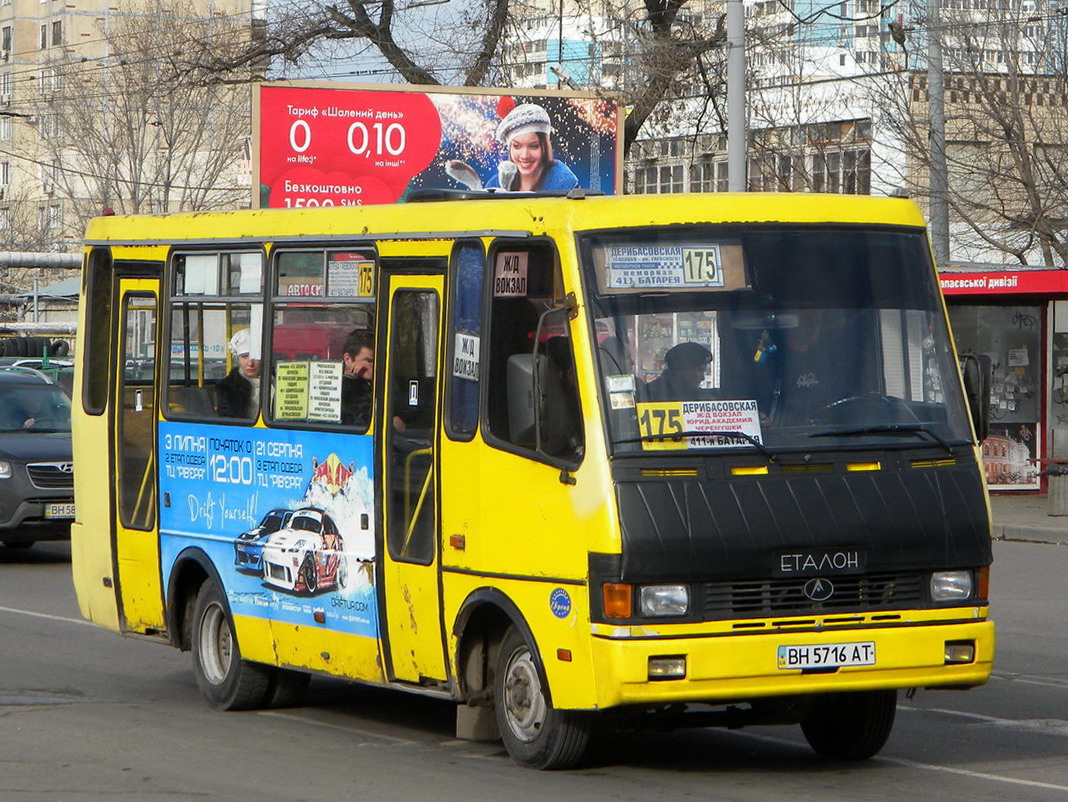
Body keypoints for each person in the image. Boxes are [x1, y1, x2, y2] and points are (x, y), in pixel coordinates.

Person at [485, 103, 579, 192]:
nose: (525, 156)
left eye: (533, 146)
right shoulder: (495, 184)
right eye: (517, 146)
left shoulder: (564, 182)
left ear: (545, 146)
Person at [642, 342, 716, 402]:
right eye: (700, 370)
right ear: (682, 369)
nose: (702, 378)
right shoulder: (649, 396)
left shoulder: (701, 397)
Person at [215, 328, 261, 419]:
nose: (250, 363)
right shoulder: (228, 388)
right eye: (244, 357)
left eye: (255, 357)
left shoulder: (278, 381)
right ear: (238, 360)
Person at [341, 329, 374, 428]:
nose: (374, 366)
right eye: (368, 360)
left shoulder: (368, 384)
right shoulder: (344, 389)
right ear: (348, 360)